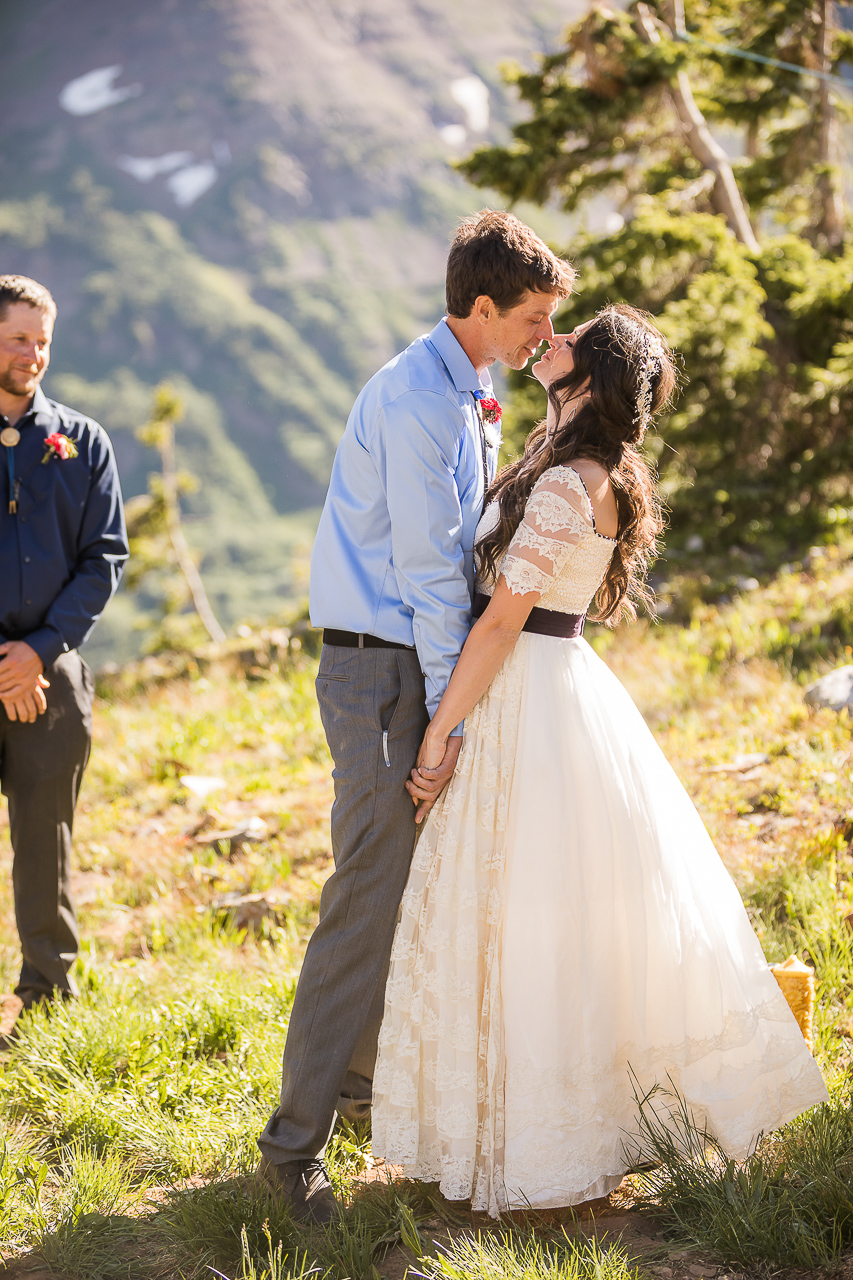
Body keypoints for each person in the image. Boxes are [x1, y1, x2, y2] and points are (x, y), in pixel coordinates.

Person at [371, 304, 828, 1216]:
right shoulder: (589, 469)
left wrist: (438, 730)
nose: (555, 340)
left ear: (592, 374)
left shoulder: (563, 483)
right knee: (558, 914)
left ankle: (540, 1145)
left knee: (524, 912)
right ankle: (553, 1124)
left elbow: (503, 617)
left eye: (571, 335)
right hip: (563, 685)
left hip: (525, 689)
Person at [257, 211, 577, 1222]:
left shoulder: (471, 384)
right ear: (479, 308)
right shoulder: (415, 400)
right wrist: (448, 717)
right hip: (383, 675)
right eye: (530, 316)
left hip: (413, 667)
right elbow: (432, 577)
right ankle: (291, 1149)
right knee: (364, 897)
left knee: (406, 888)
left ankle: (355, 1089)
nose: (540, 334)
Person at [0, 275, 128, 1041]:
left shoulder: (84, 443)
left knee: (45, 843)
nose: (33, 354)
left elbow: (104, 559)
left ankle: (46, 1001)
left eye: (43, 341)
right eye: (19, 338)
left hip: (53, 682)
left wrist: (35, 655)